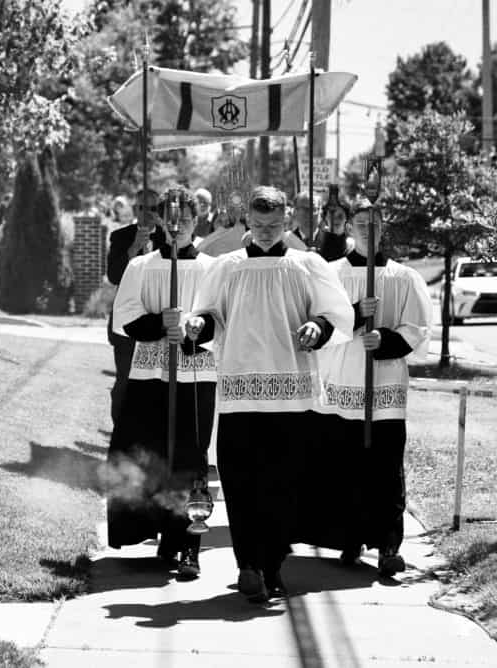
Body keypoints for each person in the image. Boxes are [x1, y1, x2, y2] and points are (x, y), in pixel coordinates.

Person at [185, 186, 353, 603]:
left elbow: (336, 315)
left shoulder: (307, 265)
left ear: (287, 221)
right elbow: (209, 316)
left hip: (290, 394)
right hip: (240, 392)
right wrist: (198, 326)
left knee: (284, 485)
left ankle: (273, 564)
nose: (264, 232)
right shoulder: (226, 267)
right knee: (241, 483)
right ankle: (248, 565)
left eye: (273, 225)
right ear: (247, 221)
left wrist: (317, 327)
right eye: (258, 225)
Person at [309, 197, 432, 576]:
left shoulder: (403, 277)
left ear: (384, 228)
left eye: (375, 223)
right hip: (343, 381)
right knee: (344, 467)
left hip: (384, 387)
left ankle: (389, 546)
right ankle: (350, 539)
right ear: (350, 227)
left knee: (386, 469)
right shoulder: (331, 274)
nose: (368, 230)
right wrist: (355, 315)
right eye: (361, 223)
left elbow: (417, 328)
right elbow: (318, 324)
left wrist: (386, 340)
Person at [106, 187, 217, 580]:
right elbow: (124, 317)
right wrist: (158, 324)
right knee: (146, 452)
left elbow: (221, 318)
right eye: (169, 219)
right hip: (150, 375)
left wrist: (192, 329)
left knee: (189, 459)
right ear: (160, 221)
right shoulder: (141, 266)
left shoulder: (213, 268)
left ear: (195, 220)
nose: (176, 226)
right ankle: (155, 531)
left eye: (183, 219)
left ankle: (188, 546)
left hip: (194, 375)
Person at [106, 189, 168, 427]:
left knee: (155, 383)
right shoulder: (120, 237)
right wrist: (133, 249)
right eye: (142, 208)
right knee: (125, 380)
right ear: (134, 209)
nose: (148, 213)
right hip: (128, 321)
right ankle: (120, 432)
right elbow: (114, 276)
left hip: (157, 318)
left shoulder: (169, 238)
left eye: (153, 208)